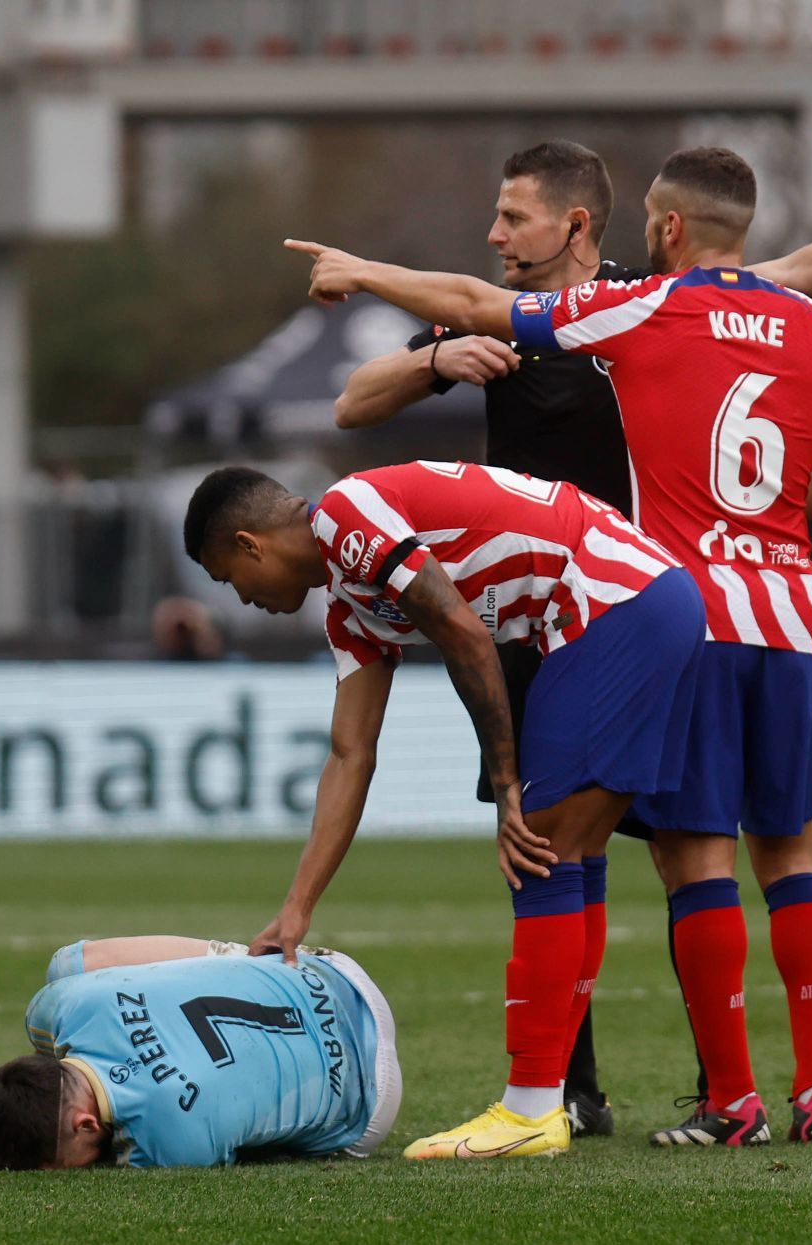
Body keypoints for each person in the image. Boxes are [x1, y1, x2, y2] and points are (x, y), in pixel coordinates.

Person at [332, 139, 812, 1135]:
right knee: (792, 855)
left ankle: (727, 1101)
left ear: (664, 227)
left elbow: (471, 301)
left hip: (670, 613)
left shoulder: (638, 308)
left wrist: (360, 268)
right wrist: (753, 495)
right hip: (792, 616)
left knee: (688, 858)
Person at [184, 460, 705, 1160]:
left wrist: (507, 785)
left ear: (250, 543)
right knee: (567, 853)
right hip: (638, 599)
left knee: (539, 849)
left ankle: (528, 1108)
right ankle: (548, 1101)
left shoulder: (344, 515)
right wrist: (298, 906)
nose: (239, 598)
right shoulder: (350, 606)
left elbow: (461, 628)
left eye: (227, 578)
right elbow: (350, 754)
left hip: (613, 601)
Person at [0, 934, 400, 1168]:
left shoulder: (165, 1147)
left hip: (370, 1106)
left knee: (225, 1128)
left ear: (85, 1124)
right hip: (328, 972)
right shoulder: (58, 1009)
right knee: (69, 965)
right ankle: (236, 958)